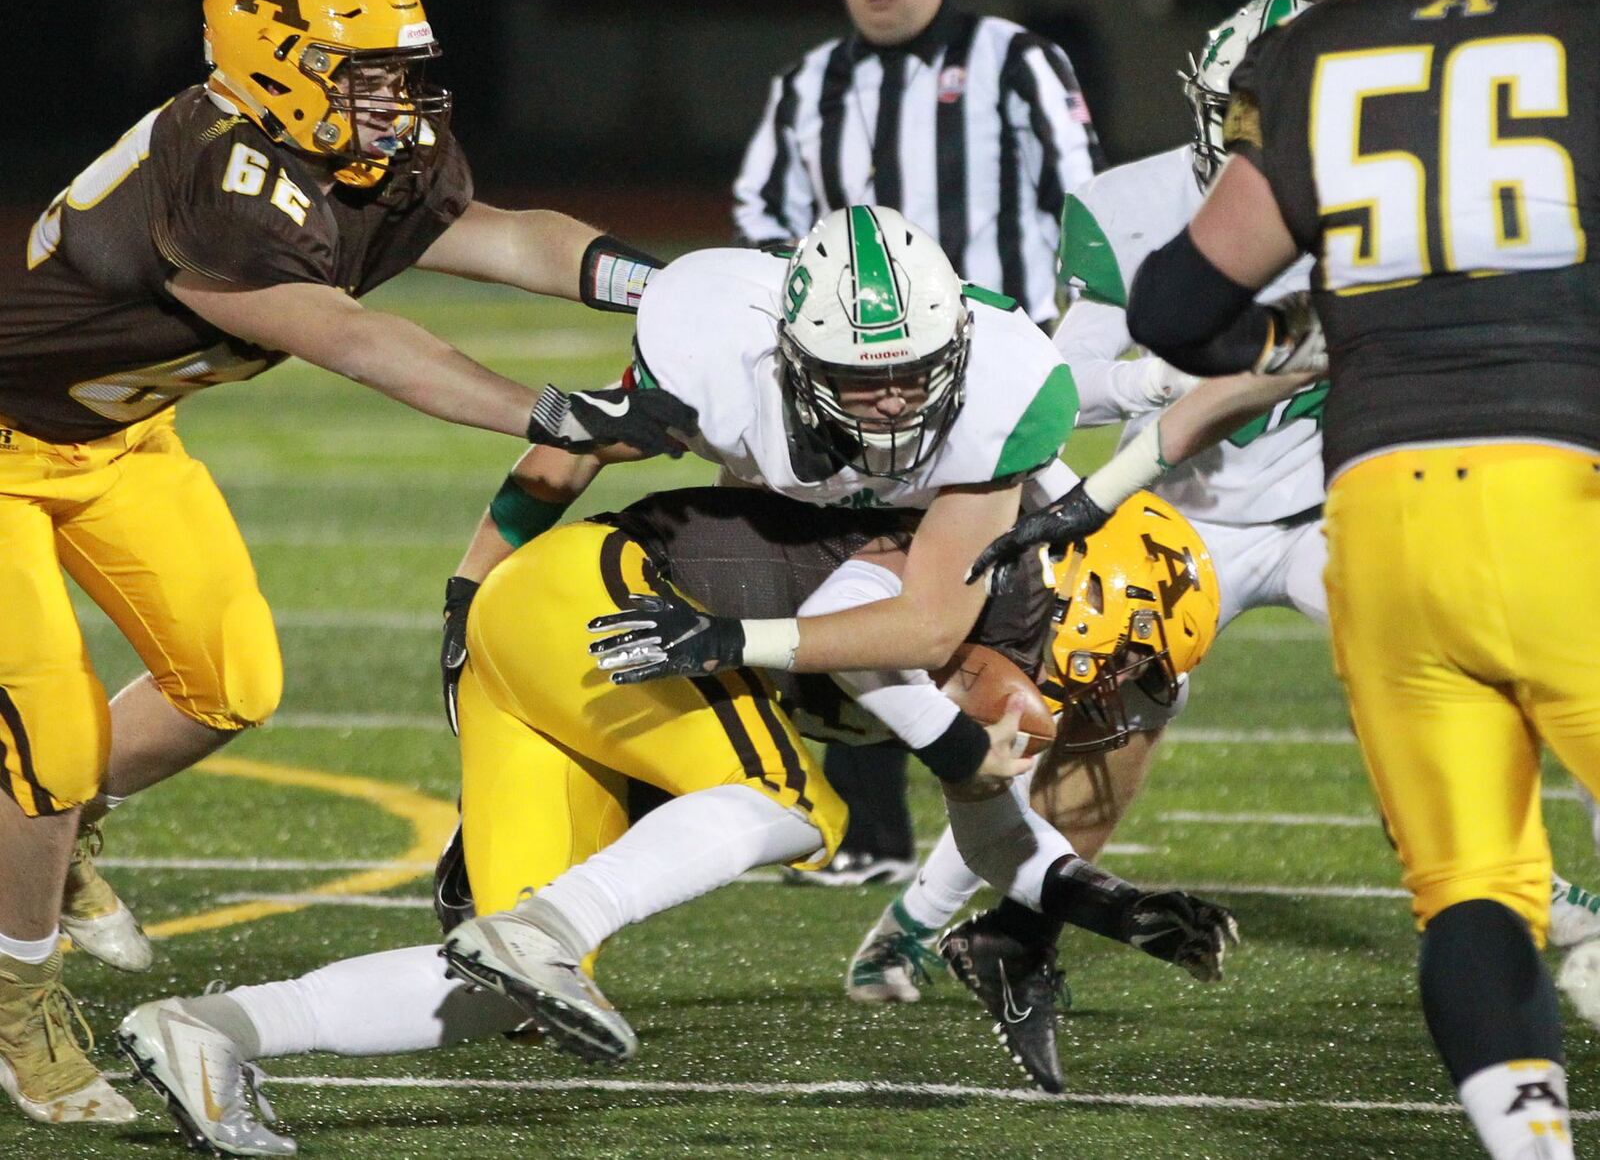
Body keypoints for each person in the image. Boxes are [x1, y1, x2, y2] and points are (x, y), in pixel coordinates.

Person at [0, 0, 691, 1129]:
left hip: (120, 438)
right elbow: (359, 340)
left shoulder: (367, 151)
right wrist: (556, 409)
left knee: (229, 686)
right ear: (276, 66)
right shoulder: (210, 172)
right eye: (362, 72)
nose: (398, 100)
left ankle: (50, 850)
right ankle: (20, 1010)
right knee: (50, 743)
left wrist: (672, 287)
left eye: (401, 71)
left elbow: (509, 236)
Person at [117, 481, 1238, 1154]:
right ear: (1095, 594)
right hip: (607, 600)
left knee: (486, 995)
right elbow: (856, 612)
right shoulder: (992, 578)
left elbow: (990, 826)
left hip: (559, 650)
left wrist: (1104, 904)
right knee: (786, 802)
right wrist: (953, 740)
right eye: (1120, 665)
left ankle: (212, 1030)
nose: (1100, 702)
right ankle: (544, 930)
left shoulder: (997, 654)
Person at [1122, 0, 1600, 1155]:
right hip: (1568, 502)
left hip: (1384, 516)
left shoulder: (1323, 47)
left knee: (1471, 893)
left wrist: (1294, 347)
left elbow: (1176, 303)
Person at [733, 0, 1102, 880]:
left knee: (1014, 600)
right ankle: (876, 835)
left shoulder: (1012, 59)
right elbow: (761, 222)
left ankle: (1009, 830)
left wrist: (1060, 342)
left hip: (981, 389)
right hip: (852, 397)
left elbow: (1081, 200)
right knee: (840, 574)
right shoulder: (807, 83)